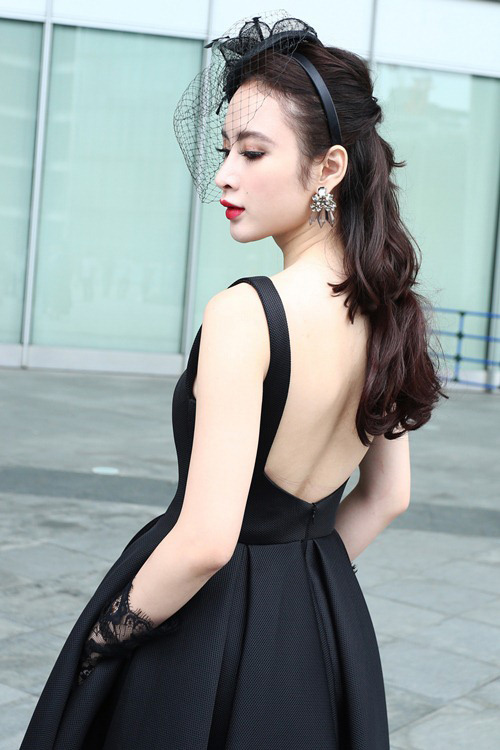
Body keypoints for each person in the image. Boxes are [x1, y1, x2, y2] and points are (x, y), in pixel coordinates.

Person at [19, 10, 447, 750]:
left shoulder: (246, 314)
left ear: (330, 168)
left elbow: (206, 541)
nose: (224, 174)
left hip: (200, 635)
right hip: (321, 632)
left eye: (252, 152)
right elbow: (387, 497)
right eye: (225, 150)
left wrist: (104, 637)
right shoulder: (387, 309)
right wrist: (294, 584)